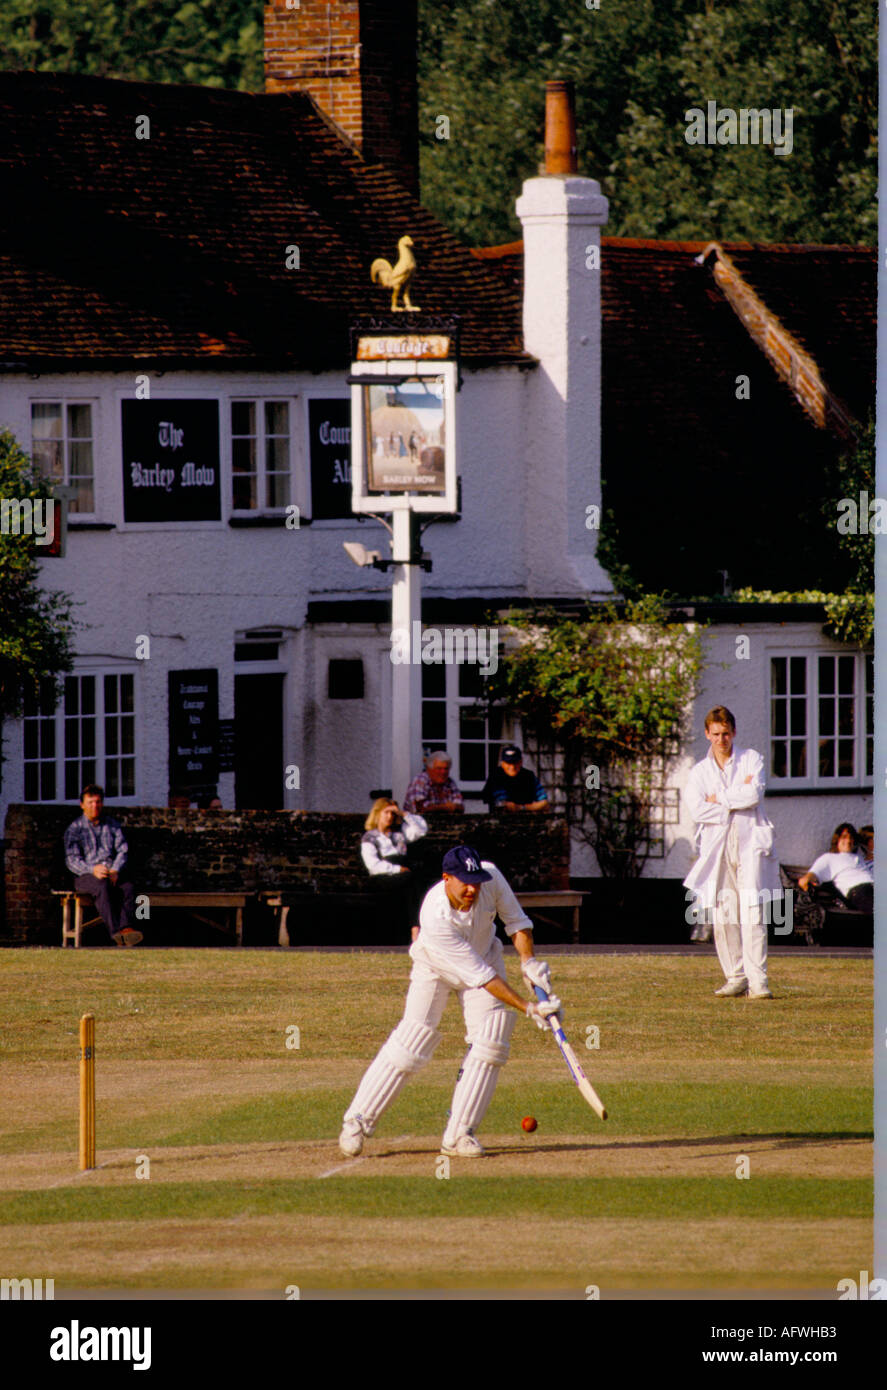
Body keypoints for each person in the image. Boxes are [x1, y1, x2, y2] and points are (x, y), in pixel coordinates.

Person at [339, 844, 561, 1159]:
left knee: (492, 1038)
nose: (472, 888)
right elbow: (484, 979)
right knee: (412, 1040)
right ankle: (357, 1121)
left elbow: (517, 923)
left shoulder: (492, 877)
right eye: (464, 882)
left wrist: (529, 964)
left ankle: (459, 1134)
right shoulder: (434, 915)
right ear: (446, 878)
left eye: (476, 881)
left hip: (484, 953)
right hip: (436, 966)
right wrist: (529, 1008)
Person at [683, 706, 780, 999]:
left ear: (734, 732)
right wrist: (736, 798)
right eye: (716, 734)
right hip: (717, 845)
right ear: (707, 735)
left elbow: (755, 794)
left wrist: (720, 798)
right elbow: (697, 808)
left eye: (726, 733)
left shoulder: (752, 759)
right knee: (724, 913)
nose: (721, 739)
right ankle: (735, 976)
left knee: (753, 910)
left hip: (750, 842)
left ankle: (758, 981)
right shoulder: (699, 772)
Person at [64, 784, 143, 947]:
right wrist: (92, 870)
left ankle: (126, 928)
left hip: (110, 872)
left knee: (128, 887)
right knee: (102, 886)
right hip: (85, 876)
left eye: (98, 802)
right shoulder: (74, 829)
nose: (95, 806)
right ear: (82, 805)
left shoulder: (112, 825)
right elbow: (71, 860)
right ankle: (115, 933)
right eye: (91, 802)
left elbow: (123, 850)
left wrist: (115, 869)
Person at [361, 799, 428, 937]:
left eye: (393, 813)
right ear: (378, 813)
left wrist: (404, 814)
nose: (390, 817)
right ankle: (415, 927)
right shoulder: (370, 837)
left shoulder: (400, 833)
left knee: (417, 881)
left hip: (404, 871)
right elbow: (373, 865)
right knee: (411, 879)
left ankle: (417, 927)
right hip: (384, 874)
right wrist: (397, 869)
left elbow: (421, 830)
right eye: (386, 813)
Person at [798, 824, 873, 914]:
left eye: (851, 838)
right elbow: (810, 876)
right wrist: (806, 881)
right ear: (837, 840)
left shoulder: (859, 857)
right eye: (844, 837)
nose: (848, 840)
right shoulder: (829, 858)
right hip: (860, 892)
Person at [483, 745, 548, 812]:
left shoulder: (529, 776)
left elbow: (544, 803)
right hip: (499, 820)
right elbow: (503, 804)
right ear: (502, 764)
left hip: (527, 819)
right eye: (508, 763)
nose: (512, 767)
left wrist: (521, 807)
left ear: (521, 762)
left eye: (515, 762)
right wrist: (533, 806)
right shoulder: (495, 777)